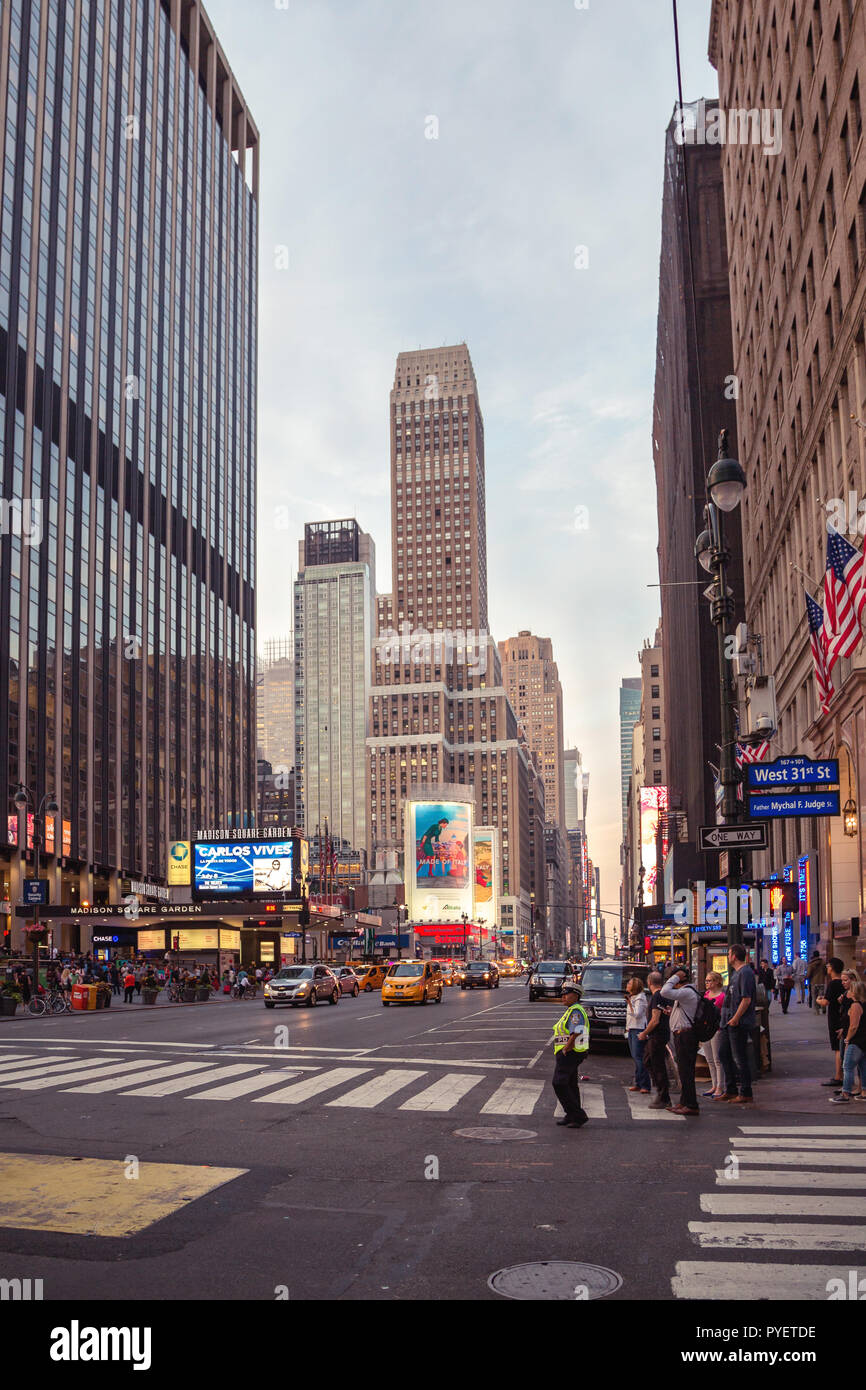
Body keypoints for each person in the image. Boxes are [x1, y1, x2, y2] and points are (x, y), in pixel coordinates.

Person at [718, 945, 757, 1104]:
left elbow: (746, 999)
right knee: (724, 1054)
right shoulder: (736, 973)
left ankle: (746, 1091)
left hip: (738, 1022)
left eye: (729, 954)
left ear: (734, 956)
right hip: (728, 1020)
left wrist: (736, 1018)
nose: (728, 956)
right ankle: (730, 1089)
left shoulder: (745, 973)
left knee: (739, 1057)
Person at [660, 965, 701, 1115]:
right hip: (682, 1035)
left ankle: (691, 1104)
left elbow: (664, 991)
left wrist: (677, 975)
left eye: (674, 979)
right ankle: (684, 1102)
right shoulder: (686, 993)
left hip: (686, 1036)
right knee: (683, 1071)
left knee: (686, 1071)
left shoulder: (687, 992)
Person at [550, 979, 590, 1129]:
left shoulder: (576, 1011)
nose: (563, 997)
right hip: (571, 1051)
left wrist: (566, 1048)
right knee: (571, 1084)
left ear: (575, 995)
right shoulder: (571, 1010)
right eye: (563, 994)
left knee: (559, 1083)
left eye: (566, 994)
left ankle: (578, 1115)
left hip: (571, 1052)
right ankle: (571, 1115)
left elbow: (576, 1032)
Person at [637, 970, 671, 1109]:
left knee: (658, 1066)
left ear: (649, 982)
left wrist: (644, 1033)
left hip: (657, 1036)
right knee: (648, 1060)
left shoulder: (657, 996)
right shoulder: (662, 995)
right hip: (658, 1035)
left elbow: (655, 1020)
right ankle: (661, 1091)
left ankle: (663, 1097)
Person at [830, 981, 866, 1104]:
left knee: (847, 1067)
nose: (848, 992)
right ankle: (864, 1092)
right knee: (863, 1067)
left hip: (856, 1041)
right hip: (863, 1040)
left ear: (855, 992)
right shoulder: (863, 1004)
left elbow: (854, 1026)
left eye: (851, 990)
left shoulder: (855, 1005)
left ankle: (845, 1093)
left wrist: (847, 1039)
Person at [817, 958, 847, 1087]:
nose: (827, 968)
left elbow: (825, 1002)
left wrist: (818, 1000)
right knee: (842, 1048)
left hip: (835, 1018)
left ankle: (838, 1076)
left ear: (832, 968)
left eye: (828, 966)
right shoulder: (844, 983)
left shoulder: (833, 984)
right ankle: (843, 1075)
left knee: (837, 1049)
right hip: (843, 1017)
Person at [700, 971, 727, 1099]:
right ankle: (714, 1084)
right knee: (709, 1059)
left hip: (717, 1029)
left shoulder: (722, 996)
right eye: (706, 981)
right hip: (705, 1029)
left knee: (717, 1059)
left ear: (717, 982)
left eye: (709, 981)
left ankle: (720, 1086)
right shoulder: (706, 995)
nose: (707, 983)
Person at [624, 976, 651, 1093]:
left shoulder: (639, 998)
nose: (627, 985)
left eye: (629, 983)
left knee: (639, 1057)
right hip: (632, 1028)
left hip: (638, 1029)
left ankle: (645, 1084)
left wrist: (630, 1003)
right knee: (636, 1057)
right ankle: (639, 1083)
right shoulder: (634, 997)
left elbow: (637, 1014)